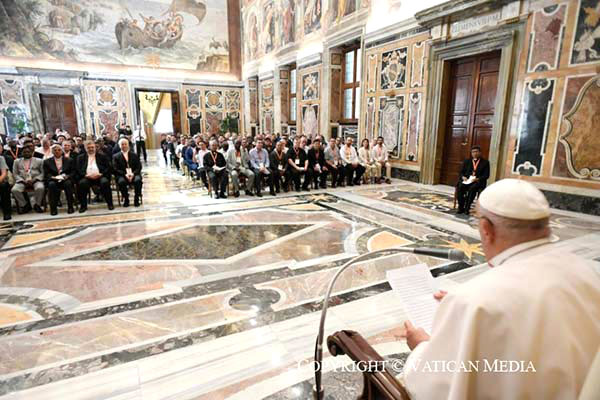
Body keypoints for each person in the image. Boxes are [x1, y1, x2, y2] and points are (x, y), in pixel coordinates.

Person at [402, 179, 600, 399]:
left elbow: (431, 387)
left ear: (486, 229)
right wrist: (463, 309)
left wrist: (421, 346)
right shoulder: (590, 274)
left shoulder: (474, 300)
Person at [76, 140, 114, 212]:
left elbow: (108, 167)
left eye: (92, 147)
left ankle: (110, 204)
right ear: (85, 148)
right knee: (82, 184)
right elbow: (78, 169)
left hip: (100, 176)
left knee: (105, 182)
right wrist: (85, 175)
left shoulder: (102, 156)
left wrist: (101, 174)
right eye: (89, 147)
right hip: (87, 177)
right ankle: (83, 206)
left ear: (95, 148)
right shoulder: (80, 157)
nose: (91, 149)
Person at [456, 145, 490, 215]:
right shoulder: (467, 161)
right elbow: (461, 172)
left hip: (477, 181)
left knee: (472, 189)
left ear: (480, 153)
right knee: (460, 187)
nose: (474, 153)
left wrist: (477, 179)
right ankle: (461, 206)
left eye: (476, 152)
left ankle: (467, 208)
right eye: (473, 152)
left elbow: (486, 175)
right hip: (467, 180)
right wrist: (463, 177)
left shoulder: (485, 162)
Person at [12, 145, 45, 214]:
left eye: (28, 152)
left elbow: (42, 173)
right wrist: (22, 181)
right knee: (14, 190)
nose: (26, 153)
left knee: (40, 188)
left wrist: (35, 180)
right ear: (22, 153)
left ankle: (37, 205)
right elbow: (15, 174)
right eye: (24, 152)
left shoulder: (39, 161)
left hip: (35, 180)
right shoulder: (16, 161)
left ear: (32, 152)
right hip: (22, 180)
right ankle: (25, 205)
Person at [43, 145, 75, 215]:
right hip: (54, 179)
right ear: (52, 152)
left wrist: (68, 176)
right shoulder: (47, 162)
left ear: (62, 151)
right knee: (51, 185)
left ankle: (70, 207)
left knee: (68, 184)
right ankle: (53, 208)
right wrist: (52, 177)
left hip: (65, 179)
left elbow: (73, 172)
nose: (57, 151)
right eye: (55, 150)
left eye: (59, 150)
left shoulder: (69, 160)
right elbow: (46, 173)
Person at [113, 138, 143, 207]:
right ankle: (126, 198)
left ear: (128, 145)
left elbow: (139, 167)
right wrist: (125, 174)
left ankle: (136, 198)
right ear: (119, 146)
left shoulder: (134, 155)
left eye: (125, 144)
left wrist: (133, 174)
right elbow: (115, 168)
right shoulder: (116, 156)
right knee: (121, 182)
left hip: (134, 174)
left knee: (138, 180)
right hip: (122, 175)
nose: (124, 146)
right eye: (122, 144)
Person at [0, 153, 11, 220]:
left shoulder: (1, 158)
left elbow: (4, 173)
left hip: (1, 180)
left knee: (4, 186)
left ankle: (7, 213)